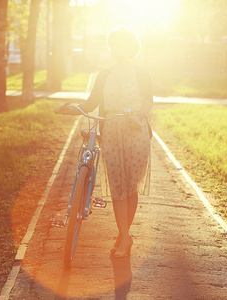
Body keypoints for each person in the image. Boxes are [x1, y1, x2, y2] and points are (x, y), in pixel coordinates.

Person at [54, 28, 153, 258]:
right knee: (118, 187)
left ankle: (123, 236)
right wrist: (70, 110)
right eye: (114, 45)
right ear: (112, 48)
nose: (118, 49)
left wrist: (137, 116)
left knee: (131, 187)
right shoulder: (104, 75)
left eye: (123, 45)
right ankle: (125, 236)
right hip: (111, 133)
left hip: (136, 133)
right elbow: (91, 103)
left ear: (132, 48)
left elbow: (148, 101)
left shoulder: (142, 74)